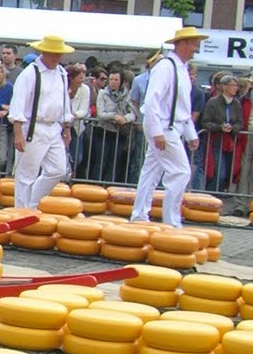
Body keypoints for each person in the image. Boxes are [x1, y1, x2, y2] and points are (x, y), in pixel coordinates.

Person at [131, 27, 206, 228]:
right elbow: (152, 102)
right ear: (181, 44)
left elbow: (182, 105)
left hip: (171, 126)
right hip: (164, 127)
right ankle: (171, 221)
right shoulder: (165, 67)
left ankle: (139, 215)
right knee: (180, 172)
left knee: (151, 172)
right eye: (193, 43)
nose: (195, 48)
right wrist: (157, 133)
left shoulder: (181, 69)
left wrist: (190, 133)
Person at [9, 34, 74, 208]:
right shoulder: (30, 73)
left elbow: (64, 101)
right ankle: (21, 210)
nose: (57, 58)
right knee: (26, 175)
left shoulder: (61, 73)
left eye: (59, 54)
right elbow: (18, 104)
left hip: (54, 127)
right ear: (43, 52)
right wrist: (18, 133)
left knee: (58, 169)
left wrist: (67, 126)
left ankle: (32, 202)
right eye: (53, 53)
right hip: (32, 127)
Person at [199, 74, 246, 193]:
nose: (236, 88)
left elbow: (240, 123)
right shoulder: (213, 102)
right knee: (218, 172)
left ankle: (217, 198)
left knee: (229, 173)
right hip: (215, 141)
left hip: (230, 143)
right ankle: (209, 196)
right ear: (224, 87)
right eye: (232, 85)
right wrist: (220, 127)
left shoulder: (236, 103)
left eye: (236, 86)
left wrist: (232, 128)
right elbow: (205, 122)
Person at [93, 66, 137, 185]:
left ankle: (109, 186)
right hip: (103, 131)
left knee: (114, 162)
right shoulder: (103, 94)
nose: (113, 82)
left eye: (116, 80)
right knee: (100, 161)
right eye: (111, 79)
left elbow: (133, 113)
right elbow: (101, 113)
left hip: (118, 133)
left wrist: (125, 119)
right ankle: (96, 185)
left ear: (121, 81)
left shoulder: (127, 95)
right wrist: (114, 116)